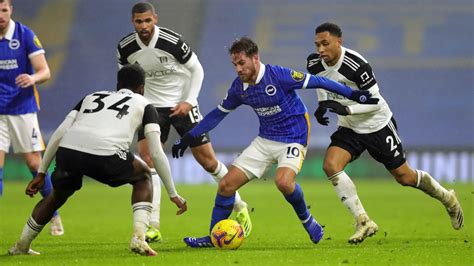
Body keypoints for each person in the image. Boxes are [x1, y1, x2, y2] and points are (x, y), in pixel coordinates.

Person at [171, 37, 378, 247]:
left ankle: (307, 220)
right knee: (226, 185)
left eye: (242, 63)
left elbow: (319, 81)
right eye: (235, 64)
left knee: (283, 182)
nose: (238, 69)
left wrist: (353, 94)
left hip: (294, 136)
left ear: (255, 58)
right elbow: (217, 114)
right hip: (266, 138)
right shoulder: (238, 88)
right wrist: (189, 137)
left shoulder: (278, 75)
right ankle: (214, 237)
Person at [306, 22, 464, 244]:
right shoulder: (314, 62)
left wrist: (347, 108)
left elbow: (374, 102)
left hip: (376, 124)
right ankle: (363, 221)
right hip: (350, 127)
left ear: (338, 41)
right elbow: (321, 84)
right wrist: (323, 104)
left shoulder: (357, 65)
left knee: (405, 177)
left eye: (325, 43)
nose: (320, 49)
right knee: (330, 165)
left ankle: (448, 198)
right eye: (317, 44)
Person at [7, 64, 187, 256]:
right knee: (143, 175)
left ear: (118, 84)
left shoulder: (91, 97)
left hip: (69, 151)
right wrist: (172, 193)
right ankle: (139, 239)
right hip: (105, 153)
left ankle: (21, 246)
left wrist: (41, 172)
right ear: (142, 87)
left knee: (57, 196)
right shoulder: (144, 104)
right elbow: (157, 153)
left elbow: (60, 133)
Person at [116, 1, 252, 242]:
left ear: (155, 19)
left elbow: (197, 70)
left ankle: (240, 206)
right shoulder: (125, 48)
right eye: (139, 21)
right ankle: (153, 225)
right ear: (133, 22)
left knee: (208, 162)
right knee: (147, 162)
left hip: (182, 104)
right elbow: (127, 79)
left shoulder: (172, 42)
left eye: (148, 20)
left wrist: (189, 100)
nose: (144, 25)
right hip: (151, 108)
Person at [0, 0, 64, 235]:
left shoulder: (25, 34)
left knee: (34, 164)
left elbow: (44, 71)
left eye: (4, 10)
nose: (1, 15)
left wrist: (33, 78)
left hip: (22, 110)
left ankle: (54, 213)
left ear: (10, 10)